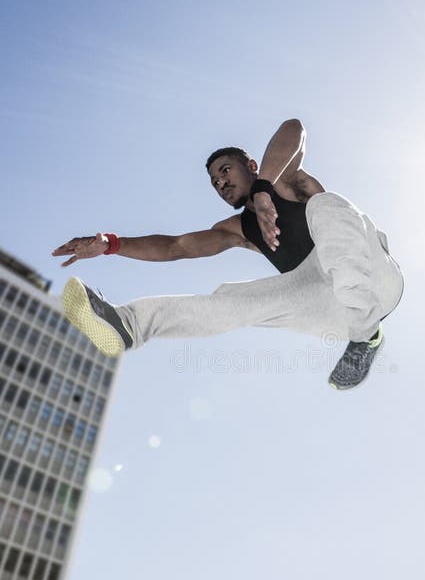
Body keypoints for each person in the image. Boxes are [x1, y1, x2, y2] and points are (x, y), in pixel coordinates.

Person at [52, 119, 403, 389]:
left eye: (225, 171)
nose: (221, 184)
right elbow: (176, 247)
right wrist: (111, 244)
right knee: (234, 299)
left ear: (250, 165)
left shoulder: (287, 180)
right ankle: (128, 325)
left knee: (327, 205)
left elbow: (294, 129)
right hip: (326, 307)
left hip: (374, 279)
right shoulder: (237, 229)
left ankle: (366, 336)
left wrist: (265, 188)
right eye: (215, 183)